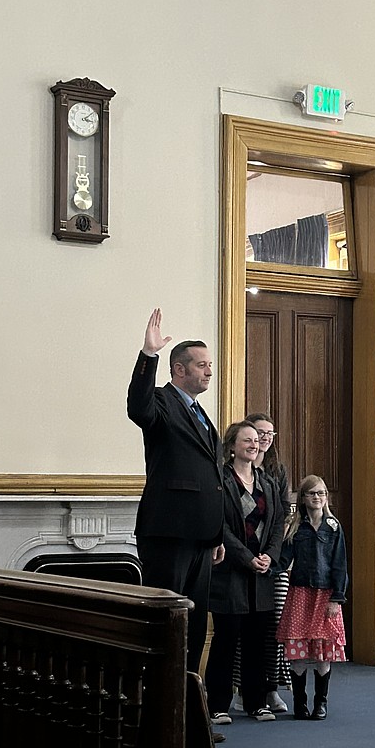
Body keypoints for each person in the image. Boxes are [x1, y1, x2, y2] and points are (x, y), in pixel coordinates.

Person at [127, 308, 225, 676]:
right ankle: (159, 714)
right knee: (165, 624)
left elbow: (211, 477)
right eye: (202, 365)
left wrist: (215, 533)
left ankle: (187, 718)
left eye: (210, 364)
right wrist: (148, 355)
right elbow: (138, 406)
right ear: (179, 369)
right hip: (168, 533)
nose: (209, 372)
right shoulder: (161, 402)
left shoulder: (201, 414)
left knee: (194, 627)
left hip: (200, 539)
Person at [205, 421, 284, 723]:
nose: (254, 444)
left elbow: (278, 525)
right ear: (232, 445)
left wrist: (269, 557)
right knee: (226, 639)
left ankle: (256, 702)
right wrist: (246, 557)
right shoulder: (221, 480)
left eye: (256, 440)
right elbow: (219, 525)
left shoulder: (268, 482)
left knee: (258, 640)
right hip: (230, 574)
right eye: (247, 440)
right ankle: (217, 705)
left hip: (261, 575)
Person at [232, 412, 291, 714]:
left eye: (269, 433)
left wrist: (272, 554)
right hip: (237, 563)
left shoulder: (275, 472)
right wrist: (247, 556)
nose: (264, 438)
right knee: (239, 632)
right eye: (258, 433)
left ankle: (269, 689)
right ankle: (243, 691)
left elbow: (280, 517)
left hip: (273, 563)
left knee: (270, 629)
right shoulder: (229, 475)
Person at [276, 475, 348, 720]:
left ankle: (321, 702)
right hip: (300, 593)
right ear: (303, 498)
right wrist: (266, 567)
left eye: (321, 493)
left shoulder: (334, 527)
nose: (317, 498)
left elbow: (340, 565)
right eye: (312, 494)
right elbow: (284, 560)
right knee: (297, 651)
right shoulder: (296, 528)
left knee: (322, 652)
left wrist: (337, 598)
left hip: (325, 594)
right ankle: (300, 702)